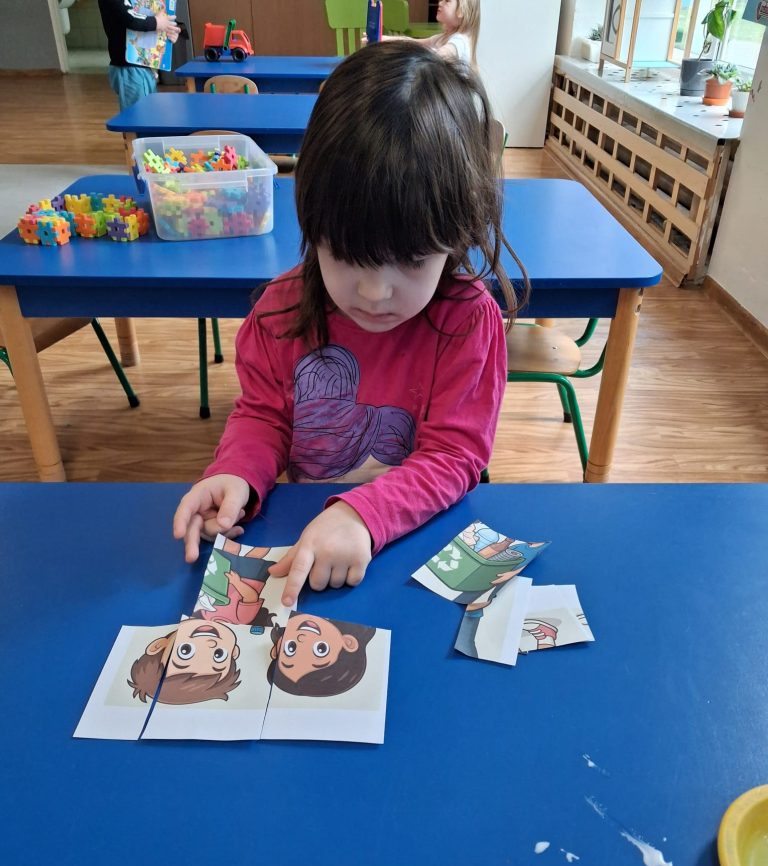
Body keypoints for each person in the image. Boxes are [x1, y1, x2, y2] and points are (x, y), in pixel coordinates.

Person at [173, 41, 529, 609]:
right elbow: (264, 418)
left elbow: (455, 457)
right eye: (345, 255)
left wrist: (363, 514)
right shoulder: (281, 313)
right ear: (312, 227)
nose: (374, 292)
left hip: (417, 547)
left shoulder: (467, 321)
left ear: (456, 235)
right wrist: (236, 473)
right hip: (310, 547)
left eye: (412, 261)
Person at [97, 0, 180, 111]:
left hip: (144, 65)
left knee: (149, 113)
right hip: (129, 67)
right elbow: (131, 18)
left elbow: (146, 15)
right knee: (139, 116)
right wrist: (158, 22)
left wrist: (167, 33)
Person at [374, 0, 480, 68]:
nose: (440, 3)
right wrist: (382, 38)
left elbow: (441, 54)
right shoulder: (441, 38)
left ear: (461, 11)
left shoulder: (459, 40)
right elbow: (412, 42)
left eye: (447, 0)